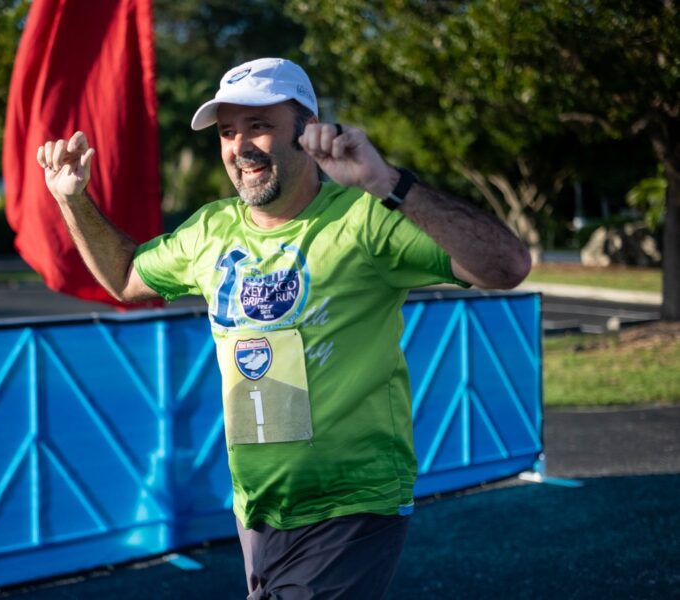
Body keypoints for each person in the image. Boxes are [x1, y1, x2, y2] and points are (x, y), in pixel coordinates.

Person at [37, 57, 530, 599]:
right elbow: (128, 276)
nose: (240, 146)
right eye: (227, 132)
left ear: (306, 131)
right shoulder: (210, 230)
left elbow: (508, 266)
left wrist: (388, 182)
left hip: (352, 503)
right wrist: (72, 199)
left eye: (259, 126)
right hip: (258, 509)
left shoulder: (364, 218)